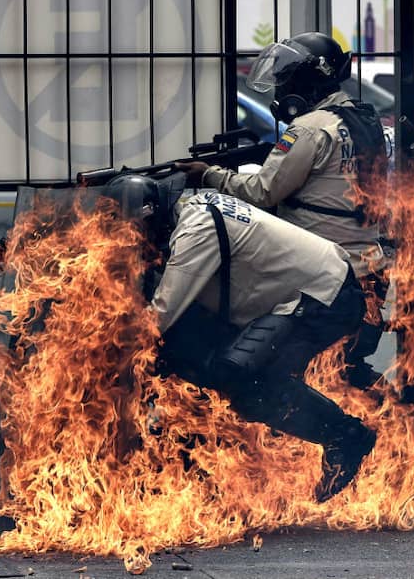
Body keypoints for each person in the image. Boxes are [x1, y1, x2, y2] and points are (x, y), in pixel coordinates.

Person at [102, 173, 377, 502]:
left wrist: (109, 350)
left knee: (247, 383)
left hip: (324, 297)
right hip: (299, 296)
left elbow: (160, 317)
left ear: (153, 217)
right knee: (202, 361)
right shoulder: (193, 214)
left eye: (137, 233)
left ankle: (346, 436)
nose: (137, 242)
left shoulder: (197, 230)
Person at [177, 32, 390, 392]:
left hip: (318, 278)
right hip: (367, 272)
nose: (280, 88)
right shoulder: (363, 122)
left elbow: (263, 191)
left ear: (309, 80)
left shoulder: (309, 129)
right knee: (335, 374)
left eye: (286, 79)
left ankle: (346, 434)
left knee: (260, 373)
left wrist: (210, 174)